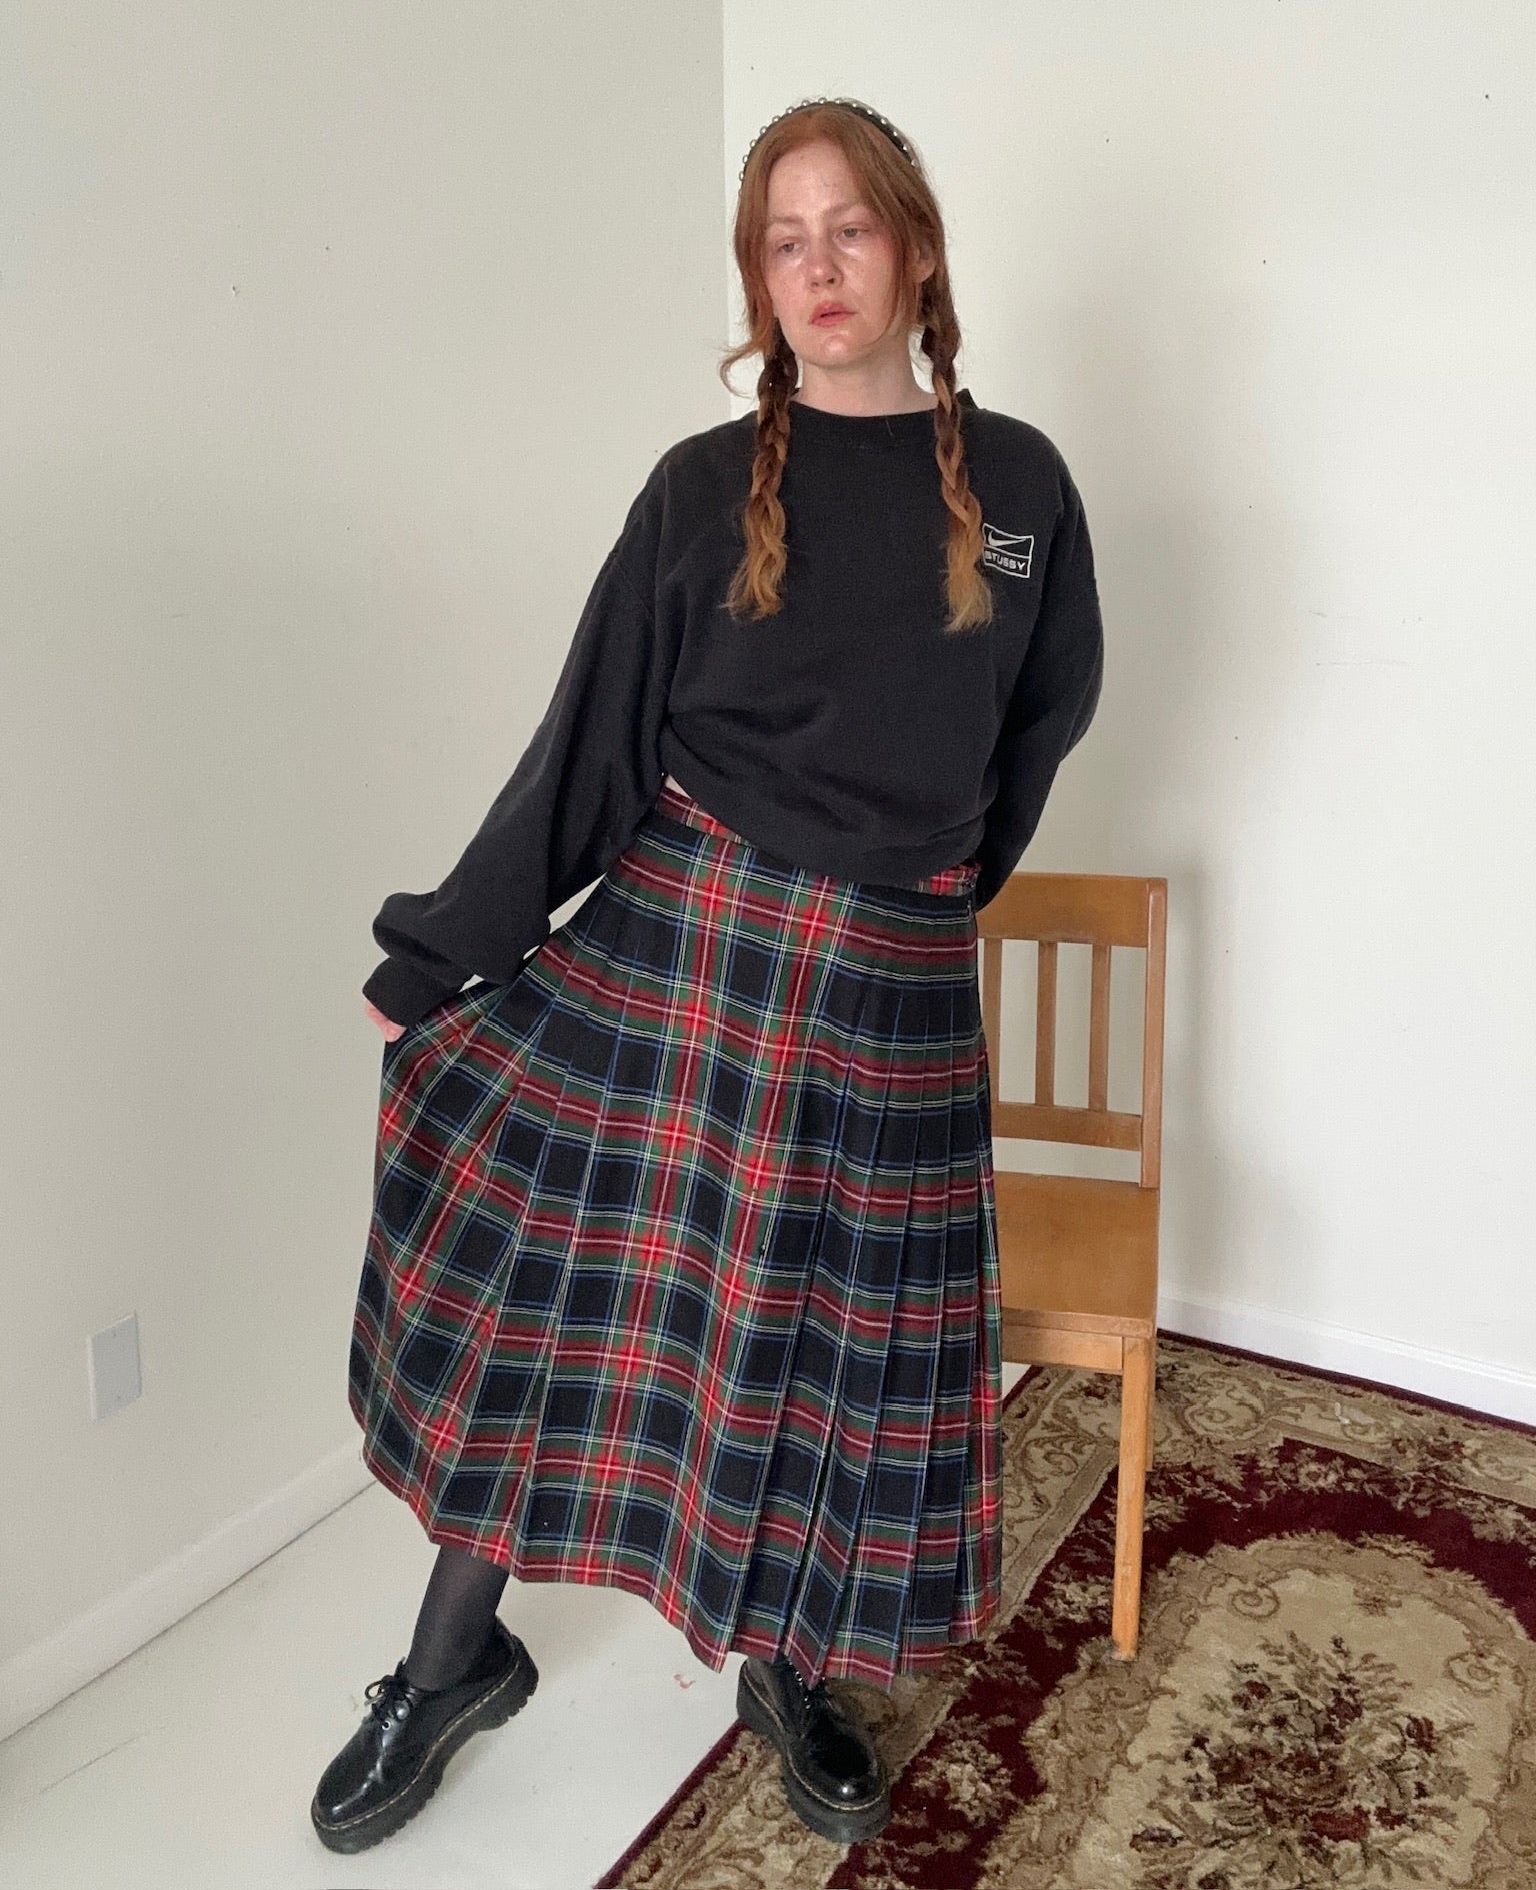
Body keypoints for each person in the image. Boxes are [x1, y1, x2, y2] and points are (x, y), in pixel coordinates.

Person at [310, 96, 1104, 1856]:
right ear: (758, 277)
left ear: (915, 247)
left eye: (850, 231)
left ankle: (787, 1671)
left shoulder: (1028, 486)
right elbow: (589, 745)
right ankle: (449, 1665)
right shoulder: (699, 490)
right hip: (686, 955)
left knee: (834, 1362)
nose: (819, 269)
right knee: (567, 1322)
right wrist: (447, 952)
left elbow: (1037, 733)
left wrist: (936, 894)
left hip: (893, 992)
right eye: (782, 240)